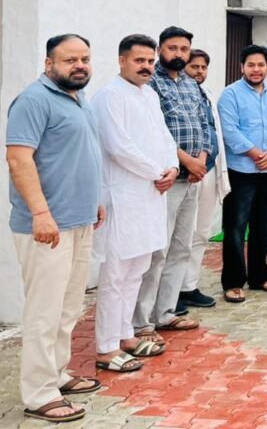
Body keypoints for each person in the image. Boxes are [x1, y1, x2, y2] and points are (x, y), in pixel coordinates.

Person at [7, 34, 104, 423]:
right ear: (49, 64)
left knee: (67, 308)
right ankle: (39, 394)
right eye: (70, 60)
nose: (79, 65)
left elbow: (81, 155)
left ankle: (58, 374)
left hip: (79, 220)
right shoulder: (33, 100)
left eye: (85, 58)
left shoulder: (79, 99)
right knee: (44, 312)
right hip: (47, 226)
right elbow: (19, 159)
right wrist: (40, 213)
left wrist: (94, 199)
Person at [92, 35, 177, 373]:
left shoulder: (150, 94)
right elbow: (118, 147)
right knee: (115, 274)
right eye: (139, 61)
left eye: (150, 61)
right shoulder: (109, 96)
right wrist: (158, 171)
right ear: (122, 60)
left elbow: (165, 136)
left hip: (151, 194)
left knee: (137, 270)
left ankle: (126, 335)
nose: (146, 67)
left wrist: (173, 167)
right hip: (123, 196)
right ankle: (106, 347)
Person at [135, 26, 208, 335]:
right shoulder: (150, 84)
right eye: (172, 48)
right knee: (158, 251)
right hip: (166, 180)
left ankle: (165, 312)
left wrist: (201, 159)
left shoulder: (191, 84)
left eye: (184, 49)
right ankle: (142, 320)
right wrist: (186, 161)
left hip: (193, 178)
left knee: (181, 248)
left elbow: (203, 123)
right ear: (160, 50)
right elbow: (155, 132)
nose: (179, 53)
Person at [218, 45, 267, 302]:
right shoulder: (230, 94)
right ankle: (233, 281)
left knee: (265, 224)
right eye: (251, 65)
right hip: (241, 170)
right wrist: (255, 154)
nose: (256, 70)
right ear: (242, 67)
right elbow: (229, 130)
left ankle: (260, 276)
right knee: (236, 226)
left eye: (261, 65)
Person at [179, 48, 229, 312]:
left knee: (201, 231)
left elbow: (211, 131)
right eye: (194, 66)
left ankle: (189, 285)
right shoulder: (177, 95)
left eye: (203, 67)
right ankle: (173, 290)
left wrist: (204, 161)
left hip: (209, 170)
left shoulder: (207, 94)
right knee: (180, 235)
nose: (199, 72)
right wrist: (192, 162)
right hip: (185, 173)